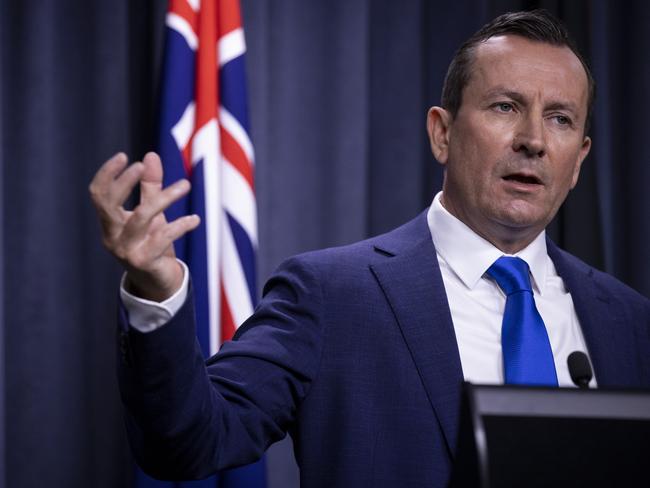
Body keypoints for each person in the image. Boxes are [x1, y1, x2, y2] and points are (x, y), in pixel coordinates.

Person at [90, 9, 650, 488]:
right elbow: (189, 443)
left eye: (560, 119)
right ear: (442, 133)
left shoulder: (628, 321)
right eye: (506, 106)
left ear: (577, 161)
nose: (533, 139)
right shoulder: (332, 295)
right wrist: (155, 292)